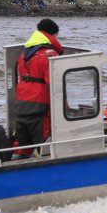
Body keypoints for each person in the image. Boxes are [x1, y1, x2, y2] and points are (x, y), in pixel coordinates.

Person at [14, 18, 62, 155]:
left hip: (22, 106)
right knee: (43, 144)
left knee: (23, 145)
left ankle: (20, 160)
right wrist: (66, 108)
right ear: (53, 34)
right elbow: (54, 86)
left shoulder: (24, 55)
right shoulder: (49, 55)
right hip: (41, 108)